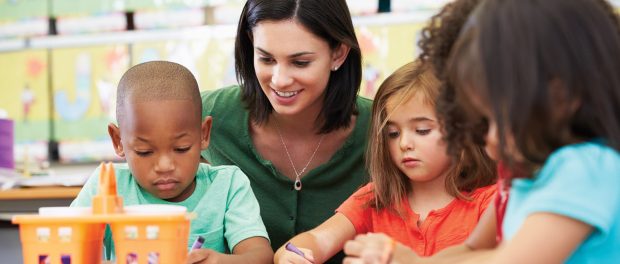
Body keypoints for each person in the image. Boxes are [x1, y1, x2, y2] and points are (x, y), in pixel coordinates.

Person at [344, 0, 620, 263]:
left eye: (493, 121)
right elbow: (472, 249)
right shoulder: (521, 174)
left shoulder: (587, 167)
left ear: (560, 96)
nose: (487, 142)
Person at [274, 61, 496, 264]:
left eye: (422, 130)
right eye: (392, 133)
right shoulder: (374, 199)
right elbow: (317, 240)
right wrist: (291, 254)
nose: (404, 143)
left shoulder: (491, 203)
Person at [200, 0, 372, 260]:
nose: (280, 80)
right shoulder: (208, 114)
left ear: (338, 53)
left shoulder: (385, 127)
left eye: (300, 62)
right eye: (266, 59)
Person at [71, 61, 273, 263]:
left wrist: (219, 261)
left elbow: (260, 257)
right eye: (145, 152)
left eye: (181, 148)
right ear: (118, 141)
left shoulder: (228, 185)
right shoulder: (107, 186)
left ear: (204, 134)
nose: (165, 166)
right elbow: (67, 245)